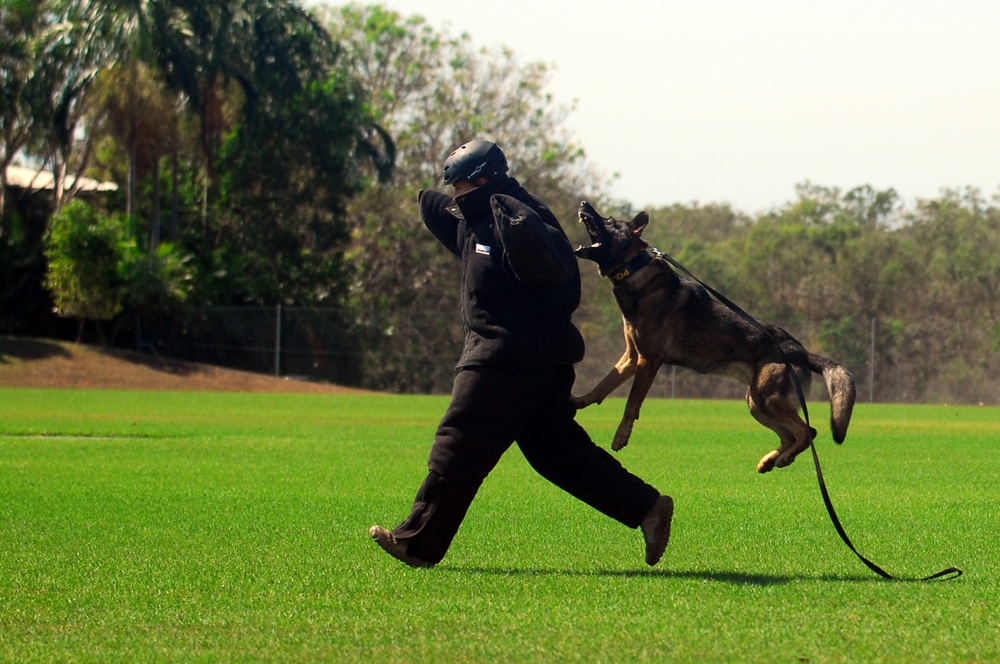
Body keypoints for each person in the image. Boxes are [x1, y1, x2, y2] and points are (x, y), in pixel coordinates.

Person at [368, 139, 673, 568]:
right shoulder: (483, 219)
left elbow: (558, 280)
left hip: (508, 356)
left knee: (459, 442)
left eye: (460, 187)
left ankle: (416, 542)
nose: (456, 196)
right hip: (534, 358)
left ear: (483, 179)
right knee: (556, 452)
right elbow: (454, 223)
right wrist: (435, 204)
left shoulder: (520, 219)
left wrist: (524, 329)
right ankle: (647, 507)